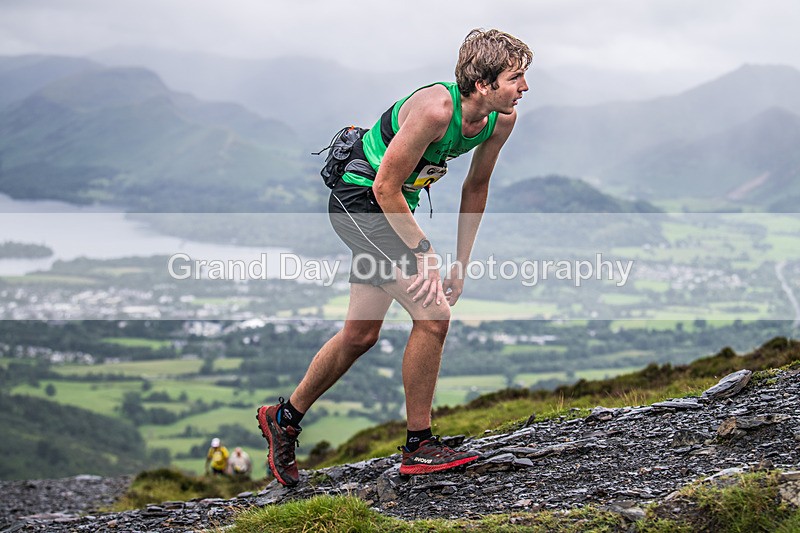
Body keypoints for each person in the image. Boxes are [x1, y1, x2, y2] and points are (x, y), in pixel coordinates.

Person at [258, 28, 532, 487]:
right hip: (360, 199)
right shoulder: (435, 110)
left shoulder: (500, 119)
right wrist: (425, 254)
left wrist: (460, 263)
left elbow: (476, 187)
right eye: (515, 77)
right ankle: (419, 446)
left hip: (388, 207)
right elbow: (384, 186)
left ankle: (283, 417)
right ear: (483, 83)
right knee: (434, 315)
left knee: (360, 335)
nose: (524, 88)